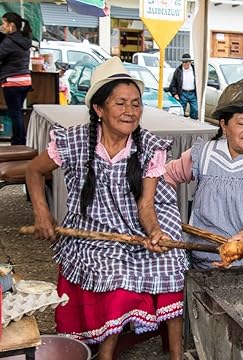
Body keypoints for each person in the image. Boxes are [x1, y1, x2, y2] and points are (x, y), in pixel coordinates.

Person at [26, 57, 189, 360]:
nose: (130, 111)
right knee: (115, 272)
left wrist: (154, 232)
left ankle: (175, 354)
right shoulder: (73, 140)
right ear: (99, 109)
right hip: (90, 227)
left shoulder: (149, 146)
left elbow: (146, 207)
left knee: (171, 260)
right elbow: (33, 171)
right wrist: (41, 212)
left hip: (135, 226)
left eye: (136, 104)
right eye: (121, 103)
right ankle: (105, 353)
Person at [165, 78, 243, 269]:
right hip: (210, 255)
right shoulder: (205, 154)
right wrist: (166, 216)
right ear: (224, 125)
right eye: (242, 123)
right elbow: (166, 174)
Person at [0, 12, 32, 145]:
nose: (2, 26)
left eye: (3, 23)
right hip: (25, 80)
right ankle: (20, 140)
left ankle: (19, 142)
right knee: (17, 112)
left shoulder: (9, 42)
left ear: (11, 25)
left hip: (12, 82)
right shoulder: (25, 39)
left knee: (15, 113)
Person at [169, 53, 198, 119]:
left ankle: (193, 123)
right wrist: (175, 94)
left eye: (186, 62)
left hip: (193, 93)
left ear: (190, 62)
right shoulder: (178, 70)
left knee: (195, 110)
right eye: (183, 62)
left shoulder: (195, 70)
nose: (184, 64)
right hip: (182, 93)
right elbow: (173, 84)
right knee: (181, 110)